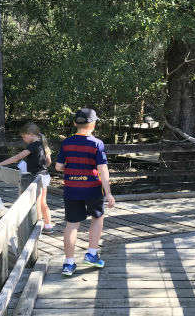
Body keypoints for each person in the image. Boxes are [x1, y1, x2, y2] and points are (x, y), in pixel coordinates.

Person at [55, 108, 115, 276]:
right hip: (92, 189)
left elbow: (59, 166)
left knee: (72, 224)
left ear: (75, 123)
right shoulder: (97, 144)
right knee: (97, 218)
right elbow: (102, 169)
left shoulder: (67, 143)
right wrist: (108, 193)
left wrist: (72, 168)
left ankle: (68, 263)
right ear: (93, 125)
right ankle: (91, 254)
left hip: (71, 189)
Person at [0, 122, 54, 233]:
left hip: (36, 177)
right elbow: (48, 162)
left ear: (31, 134)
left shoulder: (33, 146)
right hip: (44, 175)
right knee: (43, 202)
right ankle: (48, 225)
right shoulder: (43, 145)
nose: (23, 139)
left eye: (24, 136)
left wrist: (0, 164)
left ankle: (36, 226)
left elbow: (17, 157)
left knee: (36, 202)